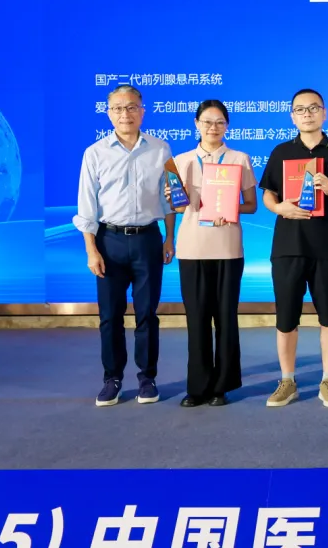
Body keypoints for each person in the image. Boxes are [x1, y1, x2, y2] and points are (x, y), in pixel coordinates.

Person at [74, 84, 175, 407]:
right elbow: (86, 206)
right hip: (109, 241)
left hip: (148, 239)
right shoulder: (95, 153)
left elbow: (169, 199)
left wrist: (169, 237)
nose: (125, 114)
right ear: (108, 114)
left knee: (147, 314)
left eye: (131, 107)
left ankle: (147, 378)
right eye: (118, 108)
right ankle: (112, 379)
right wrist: (91, 249)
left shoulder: (161, 149)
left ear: (142, 112)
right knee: (110, 316)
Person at [259, 88, 328, 408]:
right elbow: (268, 194)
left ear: (324, 113)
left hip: (327, 246)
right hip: (288, 246)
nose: (307, 114)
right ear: (292, 116)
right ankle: (287, 381)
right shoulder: (281, 152)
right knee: (286, 317)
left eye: (313, 108)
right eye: (300, 109)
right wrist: (279, 208)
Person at [166, 100, 258, 408]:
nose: (213, 127)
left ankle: (222, 386)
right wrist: (173, 198)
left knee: (226, 318)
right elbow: (178, 207)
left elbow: (251, 205)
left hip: (228, 247)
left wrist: (229, 209)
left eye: (219, 122)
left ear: (227, 126)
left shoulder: (239, 158)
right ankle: (198, 387)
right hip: (192, 247)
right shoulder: (180, 161)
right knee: (197, 319)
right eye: (207, 121)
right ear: (196, 124)